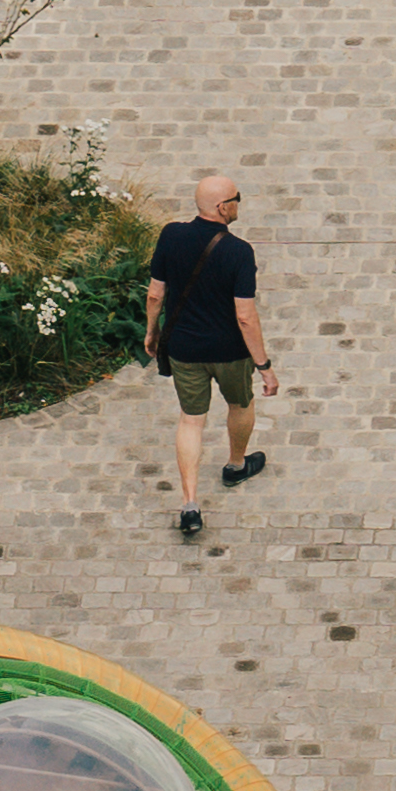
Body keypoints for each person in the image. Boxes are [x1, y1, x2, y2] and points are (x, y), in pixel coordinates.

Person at [145, 171, 272, 541]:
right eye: (237, 197)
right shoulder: (238, 251)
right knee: (239, 403)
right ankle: (235, 465)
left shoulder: (171, 235)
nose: (238, 203)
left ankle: (189, 504)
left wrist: (152, 332)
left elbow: (155, 295)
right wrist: (264, 366)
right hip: (230, 351)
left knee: (191, 421)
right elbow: (245, 316)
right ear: (223, 207)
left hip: (184, 348)